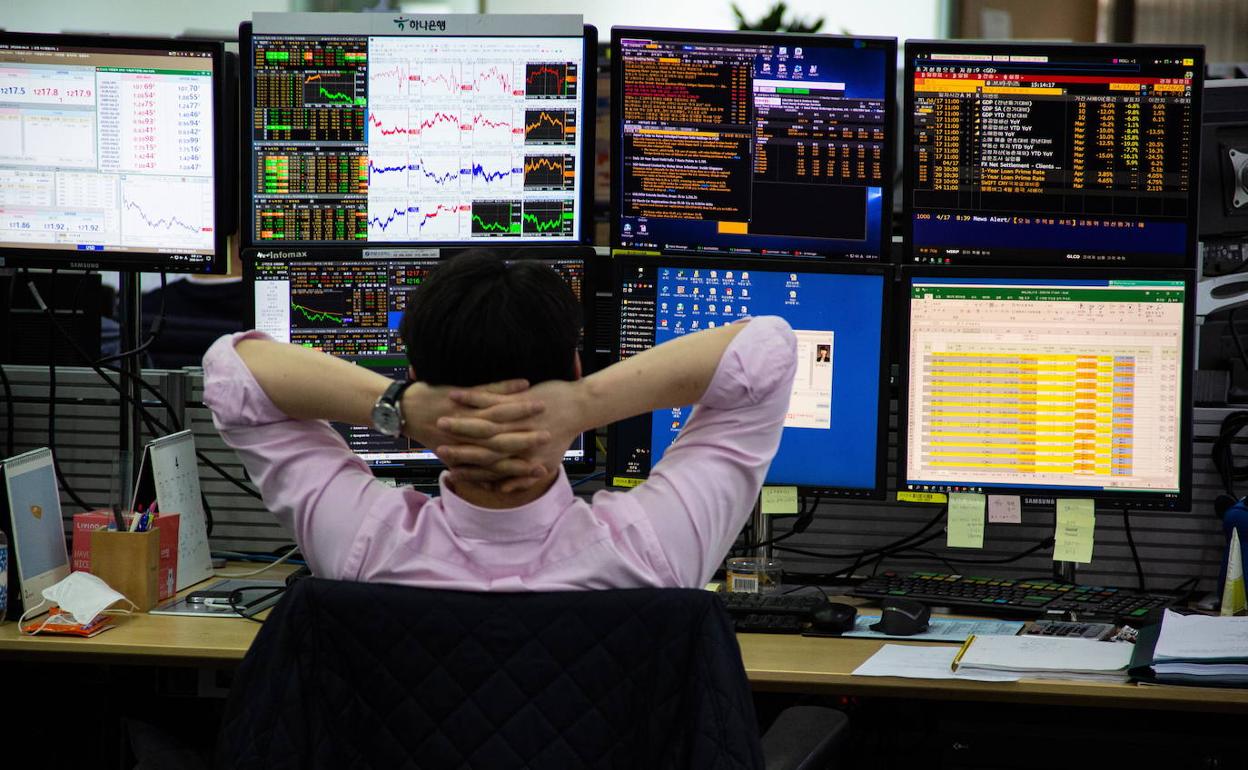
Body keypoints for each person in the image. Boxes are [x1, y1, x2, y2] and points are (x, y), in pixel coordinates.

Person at [202, 251, 796, 590]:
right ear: (574, 367)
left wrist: (401, 406)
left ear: (416, 373)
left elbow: (233, 372)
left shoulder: (361, 544)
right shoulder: (656, 550)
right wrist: (582, 405)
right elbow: (766, 350)